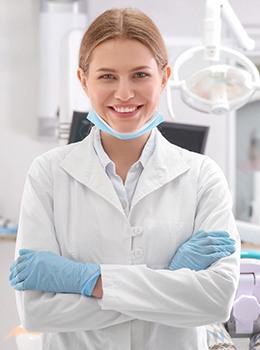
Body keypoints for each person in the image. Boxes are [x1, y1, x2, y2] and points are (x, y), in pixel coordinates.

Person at [9, 8, 241, 350]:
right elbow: (37, 311)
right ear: (83, 80)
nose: (124, 93)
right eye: (106, 77)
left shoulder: (202, 176)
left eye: (139, 75)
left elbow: (216, 302)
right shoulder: (49, 174)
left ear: (163, 78)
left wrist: (86, 281)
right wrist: (170, 283)